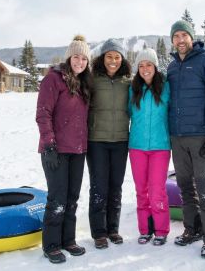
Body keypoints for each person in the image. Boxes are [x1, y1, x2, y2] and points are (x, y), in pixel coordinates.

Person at [166, 20, 205, 258]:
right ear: (172, 40)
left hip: (201, 135)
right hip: (178, 136)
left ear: (191, 37)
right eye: (176, 36)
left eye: (184, 35)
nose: (180, 40)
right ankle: (192, 229)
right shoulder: (172, 67)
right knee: (185, 186)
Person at [36, 35, 92, 264]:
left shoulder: (83, 83)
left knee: (72, 197)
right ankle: (51, 244)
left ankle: (68, 240)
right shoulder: (53, 79)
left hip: (78, 150)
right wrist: (48, 144)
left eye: (84, 59)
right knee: (57, 198)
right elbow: (43, 113)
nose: (80, 62)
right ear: (69, 58)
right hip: (56, 150)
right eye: (76, 57)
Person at [87, 38, 132, 249]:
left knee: (116, 187)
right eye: (109, 56)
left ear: (122, 59)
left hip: (121, 140)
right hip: (97, 141)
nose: (113, 61)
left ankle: (113, 229)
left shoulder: (128, 82)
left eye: (117, 57)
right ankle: (99, 232)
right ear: (102, 58)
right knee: (99, 187)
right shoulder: (92, 79)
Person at [128, 48, 171, 246]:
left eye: (149, 65)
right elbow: (127, 113)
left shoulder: (166, 87)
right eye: (141, 65)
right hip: (136, 146)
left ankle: (161, 230)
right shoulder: (132, 89)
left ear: (155, 67)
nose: (145, 69)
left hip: (160, 147)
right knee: (141, 190)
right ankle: (145, 229)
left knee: (157, 190)